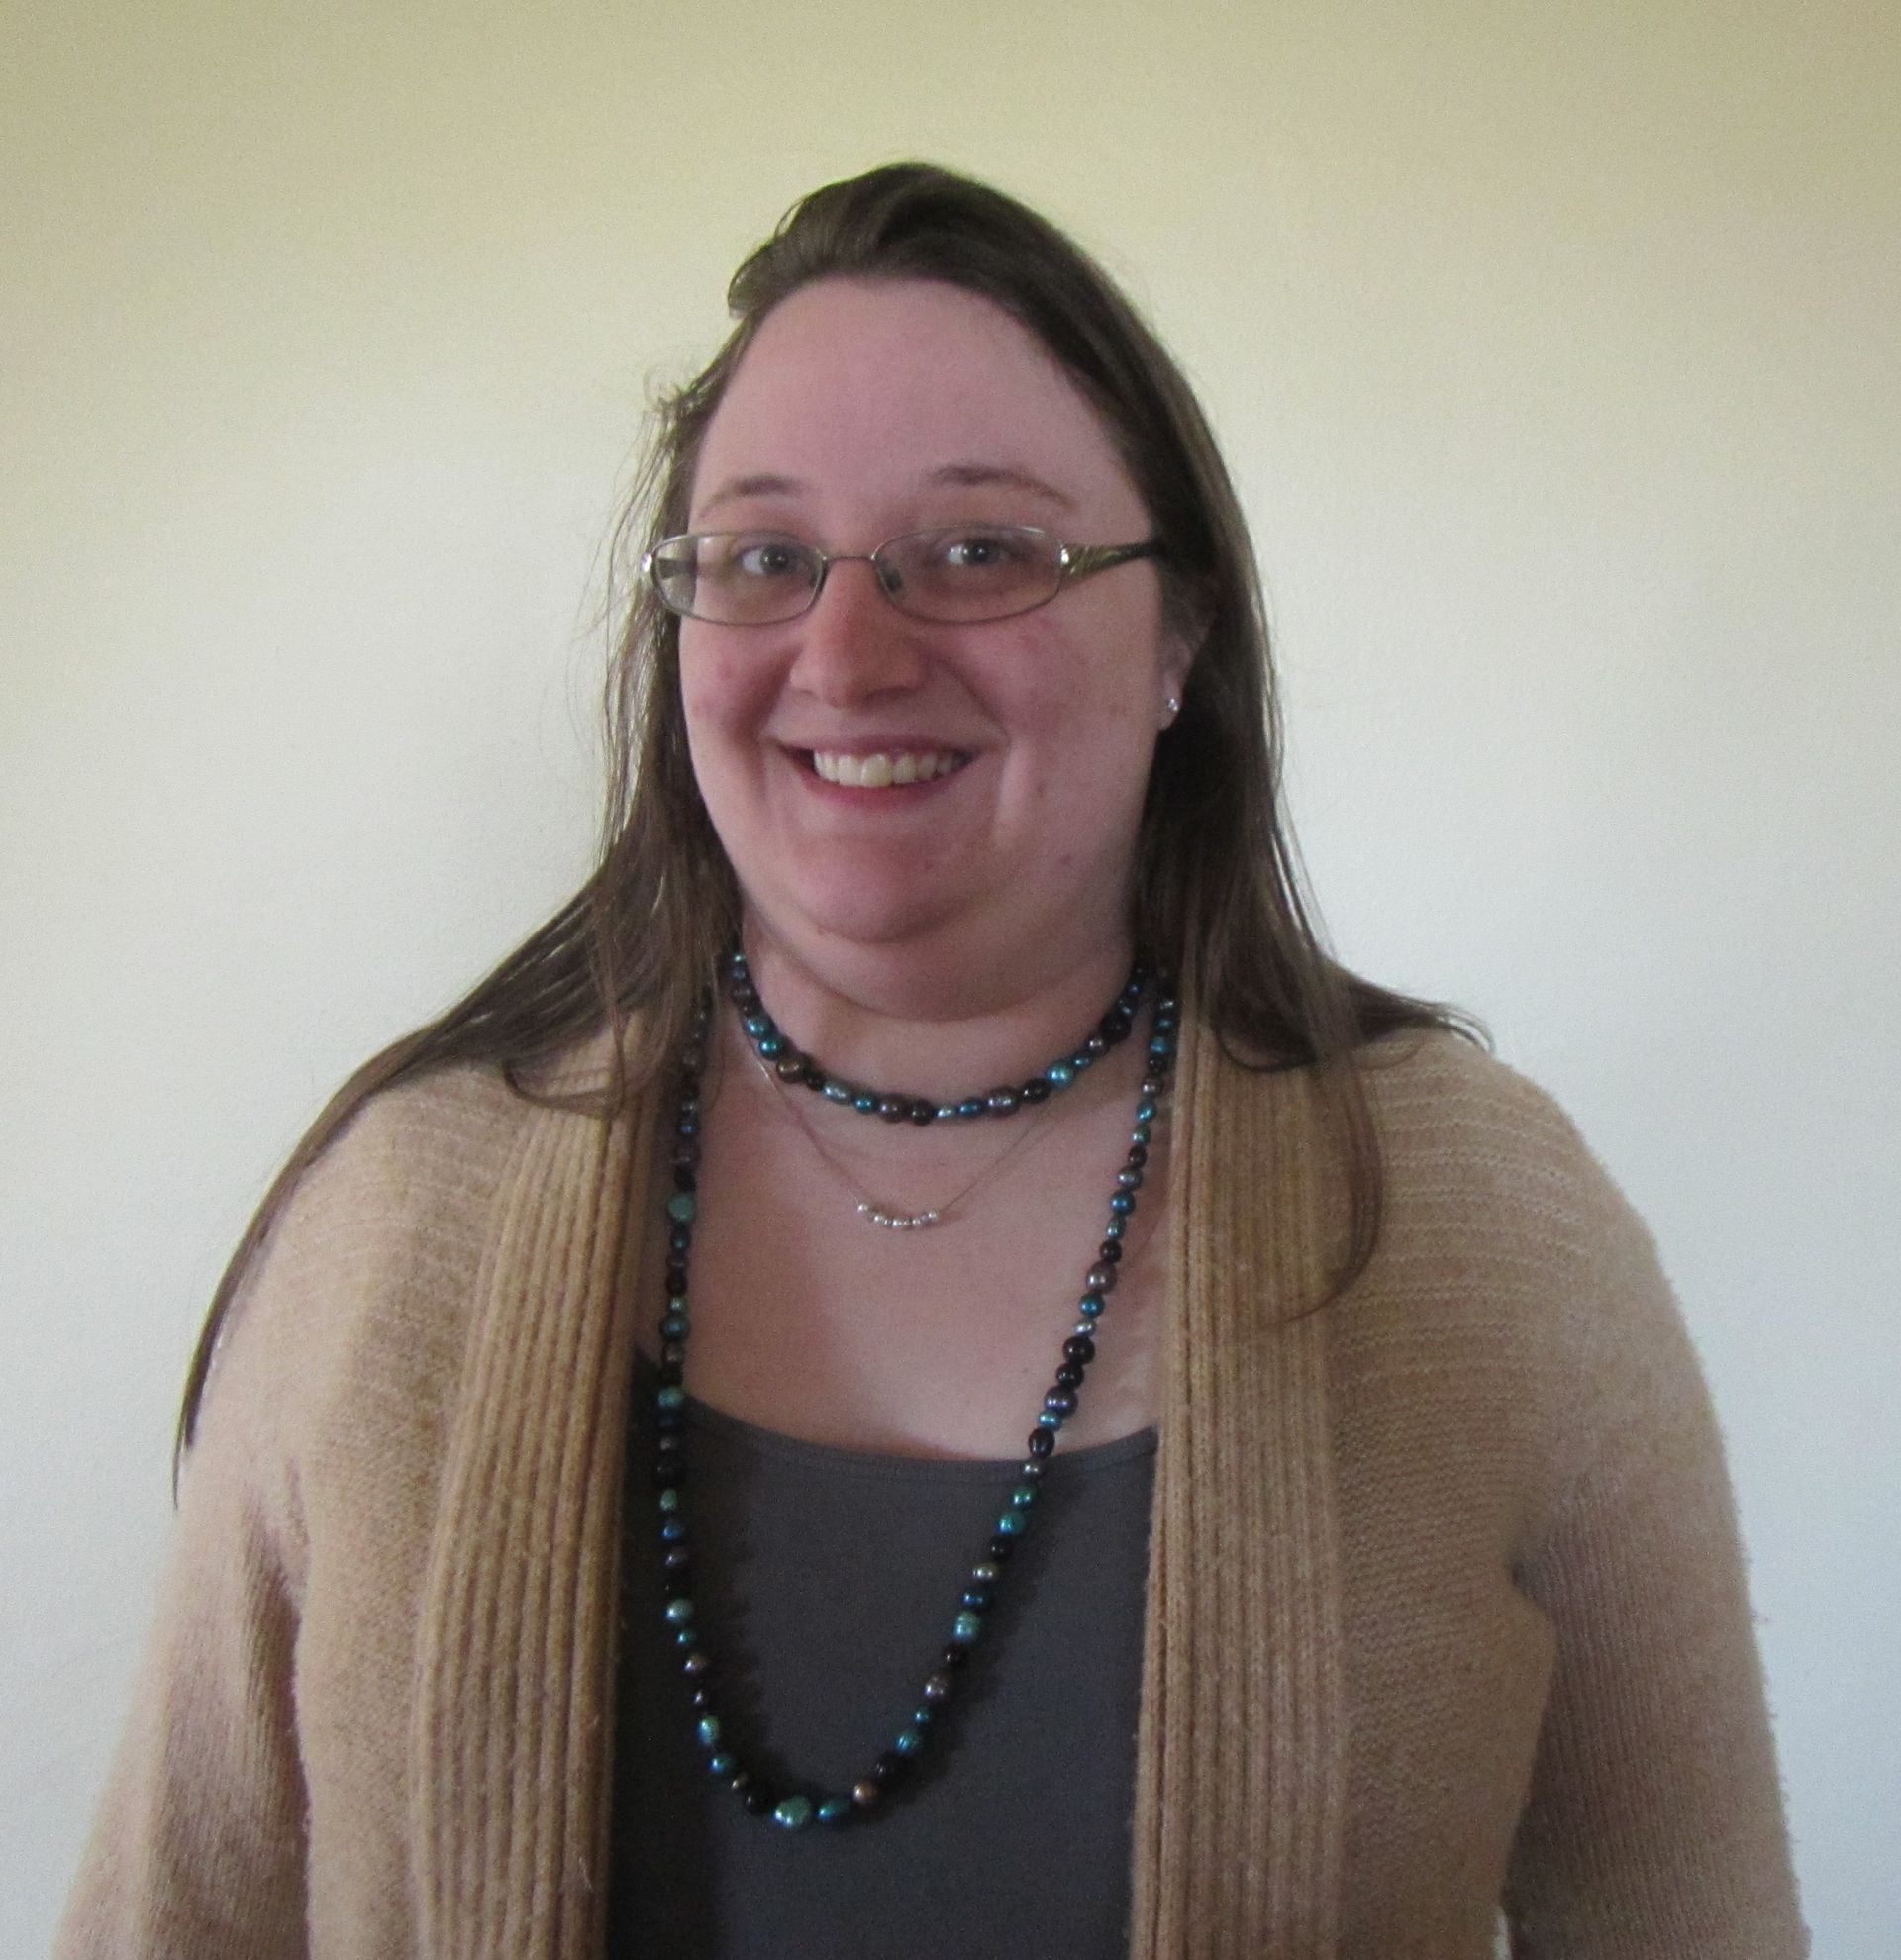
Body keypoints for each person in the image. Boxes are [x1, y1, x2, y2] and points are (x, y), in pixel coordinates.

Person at [58, 164, 1806, 1959]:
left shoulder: (1478, 1226)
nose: (845, 649)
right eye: (760, 558)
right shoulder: (395, 1221)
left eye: (980, 551)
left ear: (1182, 635)